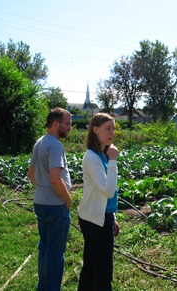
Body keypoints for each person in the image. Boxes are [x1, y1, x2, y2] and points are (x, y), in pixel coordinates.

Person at [27, 107, 73, 291]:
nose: (70, 127)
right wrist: (67, 199)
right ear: (56, 124)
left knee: (45, 248)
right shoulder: (54, 145)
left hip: (41, 202)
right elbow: (55, 178)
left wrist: (42, 189)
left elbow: (31, 174)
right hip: (55, 206)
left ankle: (43, 287)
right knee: (55, 252)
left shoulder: (40, 142)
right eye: (67, 124)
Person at [77, 113, 120, 291]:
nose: (112, 133)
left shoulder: (101, 154)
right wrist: (114, 161)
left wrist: (113, 216)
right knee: (102, 271)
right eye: (107, 128)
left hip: (101, 216)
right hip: (95, 220)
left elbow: (107, 192)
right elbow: (108, 191)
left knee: (91, 267)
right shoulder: (92, 157)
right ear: (95, 130)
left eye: (113, 128)